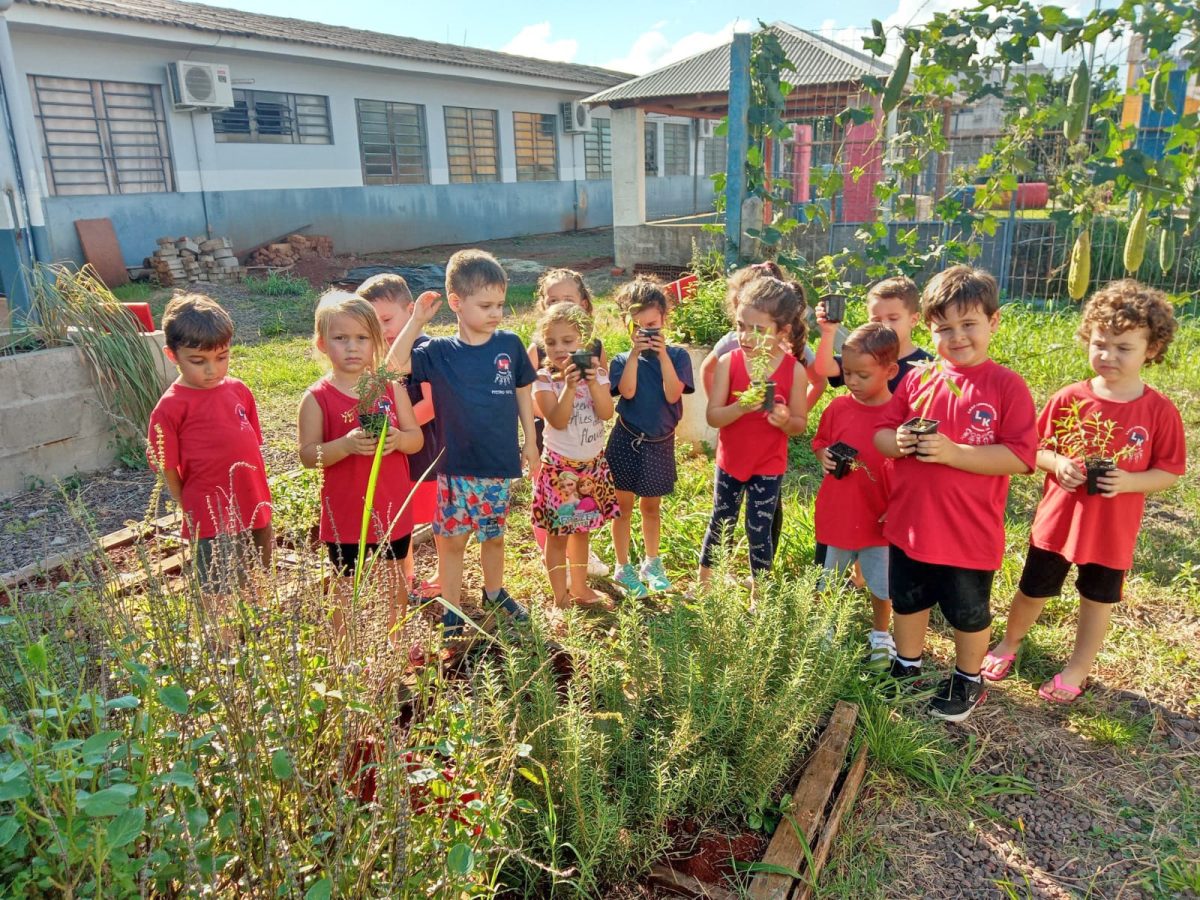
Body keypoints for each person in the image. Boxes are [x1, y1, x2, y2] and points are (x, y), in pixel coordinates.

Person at [982, 281, 1185, 703]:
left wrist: (1130, 481)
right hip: (1057, 525)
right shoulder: (1069, 397)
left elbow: (1168, 471)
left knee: (1097, 600)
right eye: (1100, 343)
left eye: (1123, 347)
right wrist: (1056, 463)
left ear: (1151, 348)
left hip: (1111, 532)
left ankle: (1077, 668)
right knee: (1033, 589)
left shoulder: (1159, 410)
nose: (1108, 355)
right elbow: (1031, 448)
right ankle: (1009, 643)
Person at [875, 265, 1037, 722]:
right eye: (944, 327)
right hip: (910, 524)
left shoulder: (1006, 386)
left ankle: (969, 677)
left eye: (969, 324)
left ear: (994, 322)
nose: (957, 336)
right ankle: (907, 664)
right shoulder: (917, 379)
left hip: (968, 531)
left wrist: (952, 452)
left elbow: (1020, 457)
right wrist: (900, 441)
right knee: (908, 600)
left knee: (968, 610)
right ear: (929, 328)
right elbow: (883, 435)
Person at [387, 249, 539, 635]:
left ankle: (493, 591)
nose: (495, 314)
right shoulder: (437, 352)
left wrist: (531, 441)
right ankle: (452, 607)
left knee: (494, 536)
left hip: (498, 462)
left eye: (500, 305)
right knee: (451, 540)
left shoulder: (509, 344)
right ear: (456, 302)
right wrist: (417, 320)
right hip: (456, 465)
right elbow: (392, 366)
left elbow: (523, 391)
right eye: (485, 304)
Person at [297, 292, 423, 637]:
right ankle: (345, 649)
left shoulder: (391, 390)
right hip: (345, 514)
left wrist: (398, 438)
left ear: (376, 342)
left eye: (361, 338)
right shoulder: (317, 397)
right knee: (343, 583)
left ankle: (392, 643)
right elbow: (308, 455)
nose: (352, 347)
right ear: (323, 344)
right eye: (341, 338)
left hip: (391, 507)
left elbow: (416, 439)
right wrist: (345, 445)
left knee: (395, 576)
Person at [147, 294, 272, 618]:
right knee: (215, 582)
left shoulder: (239, 390)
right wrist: (185, 504)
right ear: (172, 355)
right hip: (209, 510)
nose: (212, 370)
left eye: (222, 357)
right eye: (198, 361)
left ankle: (258, 630)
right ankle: (222, 641)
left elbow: (251, 445)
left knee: (257, 569)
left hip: (253, 500)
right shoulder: (170, 407)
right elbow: (167, 466)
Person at [697, 261, 826, 566]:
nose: (746, 336)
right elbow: (713, 417)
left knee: (759, 530)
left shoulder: (794, 370)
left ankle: (761, 592)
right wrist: (740, 407)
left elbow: (798, 426)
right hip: (731, 460)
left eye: (757, 329)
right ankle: (705, 585)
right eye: (741, 326)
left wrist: (785, 419)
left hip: (769, 464)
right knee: (721, 521)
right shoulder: (730, 362)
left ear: (782, 330)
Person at [812, 323, 899, 664]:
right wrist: (824, 456)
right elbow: (819, 442)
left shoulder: (900, 414)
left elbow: (911, 471)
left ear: (890, 370)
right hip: (840, 511)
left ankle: (881, 634)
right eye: (847, 373)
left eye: (862, 375)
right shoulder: (838, 409)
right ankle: (825, 628)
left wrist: (899, 507)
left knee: (881, 584)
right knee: (829, 577)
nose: (852, 381)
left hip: (880, 518)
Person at [606, 277, 695, 598]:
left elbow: (673, 394)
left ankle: (652, 563)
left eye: (652, 325)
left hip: (660, 444)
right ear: (627, 325)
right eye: (639, 326)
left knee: (652, 508)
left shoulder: (679, 356)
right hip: (626, 442)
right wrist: (633, 355)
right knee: (623, 507)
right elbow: (627, 391)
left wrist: (663, 357)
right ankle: (622, 566)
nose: (646, 332)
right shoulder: (620, 361)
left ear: (664, 321)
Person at [357, 273, 444, 598]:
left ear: (411, 310)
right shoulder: (379, 356)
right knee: (398, 519)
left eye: (387, 319)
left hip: (429, 451)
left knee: (438, 517)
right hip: (395, 452)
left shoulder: (426, 349)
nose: (382, 329)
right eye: (373, 322)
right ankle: (405, 578)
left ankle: (443, 575)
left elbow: (432, 405)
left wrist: (399, 424)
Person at [531, 301, 619, 609]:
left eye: (567, 341)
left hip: (590, 469)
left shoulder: (600, 375)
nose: (559, 348)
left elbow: (606, 412)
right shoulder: (544, 381)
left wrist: (592, 383)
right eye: (551, 342)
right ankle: (560, 599)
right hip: (560, 471)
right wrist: (569, 387)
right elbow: (557, 419)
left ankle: (580, 588)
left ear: (583, 341)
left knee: (581, 534)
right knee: (557, 537)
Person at [526, 267, 610, 577]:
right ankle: (549, 554)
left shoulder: (594, 349)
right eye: (553, 299)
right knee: (553, 512)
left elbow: (603, 402)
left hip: (584, 443)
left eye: (569, 298)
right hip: (548, 437)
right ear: (543, 305)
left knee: (579, 510)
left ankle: (578, 566)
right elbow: (526, 395)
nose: (561, 304)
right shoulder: (539, 349)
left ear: (585, 304)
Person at [813, 275, 932, 393]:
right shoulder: (863, 356)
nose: (885, 325)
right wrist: (828, 331)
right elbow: (824, 369)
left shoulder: (928, 367)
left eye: (893, 318)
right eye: (876, 320)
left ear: (913, 320)